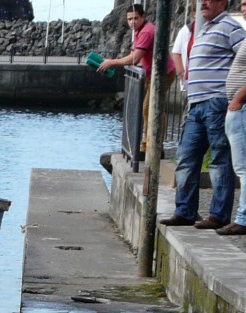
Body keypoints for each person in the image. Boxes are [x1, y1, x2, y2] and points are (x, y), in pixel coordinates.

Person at [161, 0, 246, 229]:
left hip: (217, 102)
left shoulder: (231, 27)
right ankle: (185, 211)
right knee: (186, 158)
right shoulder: (203, 28)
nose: (203, 3)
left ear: (223, 3)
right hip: (196, 103)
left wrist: (237, 96)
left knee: (220, 159)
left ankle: (218, 215)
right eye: (201, 0)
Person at [98, 3, 177, 145]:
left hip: (162, 73)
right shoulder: (139, 30)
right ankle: (151, 142)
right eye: (129, 19)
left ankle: (153, 144)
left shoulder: (146, 31)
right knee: (151, 108)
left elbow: (135, 58)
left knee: (150, 107)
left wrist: (111, 62)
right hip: (152, 73)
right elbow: (133, 54)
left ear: (143, 17)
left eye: (135, 18)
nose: (132, 22)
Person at [219, 38, 246, 234]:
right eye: (243, 4)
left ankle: (243, 219)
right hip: (238, 107)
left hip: (241, 108)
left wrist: (238, 98)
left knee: (243, 167)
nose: (244, 8)